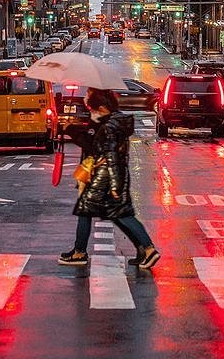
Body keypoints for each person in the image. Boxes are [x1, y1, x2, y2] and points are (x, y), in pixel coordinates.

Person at [59, 88, 160, 270]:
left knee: (117, 214)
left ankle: (148, 248)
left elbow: (104, 152)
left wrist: (115, 186)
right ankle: (142, 249)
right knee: (116, 215)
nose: (92, 111)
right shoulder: (111, 122)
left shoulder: (109, 127)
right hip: (104, 177)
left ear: (104, 107)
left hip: (104, 178)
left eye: (94, 108)